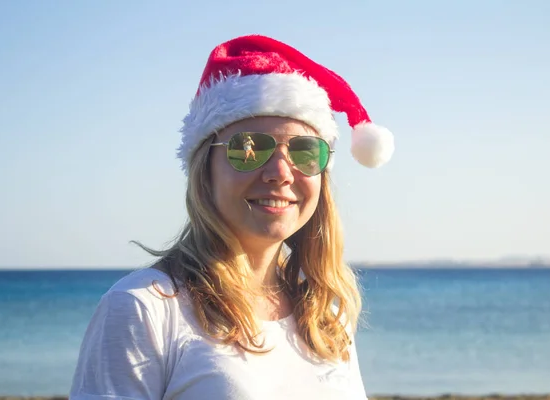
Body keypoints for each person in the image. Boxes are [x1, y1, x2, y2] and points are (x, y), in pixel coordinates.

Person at [69, 34, 394, 400]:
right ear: (205, 170)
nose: (281, 173)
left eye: (305, 151)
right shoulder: (143, 308)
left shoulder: (324, 317)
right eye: (249, 149)